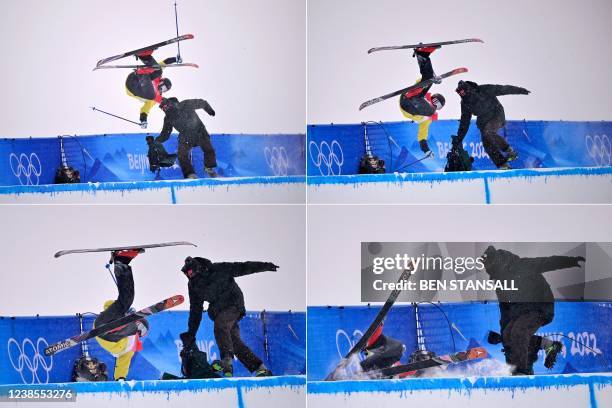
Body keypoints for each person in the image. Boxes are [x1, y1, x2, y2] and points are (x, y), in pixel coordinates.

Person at [481, 246, 585, 375]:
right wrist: (504, 333)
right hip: (521, 310)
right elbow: (505, 309)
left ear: (498, 262)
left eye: (491, 268)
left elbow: (546, 262)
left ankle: (521, 371)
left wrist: (570, 261)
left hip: (540, 306)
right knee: (508, 334)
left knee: (519, 330)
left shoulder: (519, 265)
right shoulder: (499, 281)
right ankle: (546, 347)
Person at [179, 256, 279, 377]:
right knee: (235, 343)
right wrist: (191, 333)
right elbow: (195, 310)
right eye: (186, 274)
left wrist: (265, 265)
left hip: (234, 304)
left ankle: (226, 360)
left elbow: (242, 267)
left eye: (190, 272)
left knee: (220, 324)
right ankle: (260, 368)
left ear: (197, 268)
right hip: (218, 310)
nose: (189, 276)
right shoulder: (193, 285)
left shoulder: (217, 269)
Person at [94, 250, 149, 381]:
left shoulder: (131, 347)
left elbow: (123, 363)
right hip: (104, 324)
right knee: (126, 299)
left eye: (142, 332)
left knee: (126, 301)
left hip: (111, 337)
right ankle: (122, 262)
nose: (140, 332)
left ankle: (121, 262)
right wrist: (124, 312)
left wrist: (120, 378)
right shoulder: (129, 324)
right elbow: (108, 305)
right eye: (142, 328)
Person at [455, 80, 530, 169]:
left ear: (468, 89)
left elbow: (502, 89)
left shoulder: (483, 89)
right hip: (483, 121)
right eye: (459, 92)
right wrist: (459, 139)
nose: (462, 94)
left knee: (488, 132)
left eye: (463, 91)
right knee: (486, 144)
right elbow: (464, 122)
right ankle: (503, 165)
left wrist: (520, 90)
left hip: (496, 115)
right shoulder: (465, 103)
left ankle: (509, 151)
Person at [399, 46, 446, 156]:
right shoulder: (425, 101)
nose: (435, 105)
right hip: (409, 97)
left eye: (438, 105)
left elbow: (422, 136)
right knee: (427, 80)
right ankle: (423, 55)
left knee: (430, 111)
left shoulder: (427, 118)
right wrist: (431, 80)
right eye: (435, 101)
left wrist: (426, 150)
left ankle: (423, 57)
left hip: (407, 107)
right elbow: (421, 81)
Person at [157, 97, 218, 179]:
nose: (164, 109)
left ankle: (209, 168)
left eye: (165, 106)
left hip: (199, 131)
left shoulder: (186, 104)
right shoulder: (168, 118)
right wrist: (157, 141)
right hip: (186, 136)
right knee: (181, 155)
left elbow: (202, 102)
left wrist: (209, 110)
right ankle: (190, 174)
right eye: (163, 108)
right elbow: (166, 133)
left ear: (171, 104)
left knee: (208, 149)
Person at [125, 50, 176, 128]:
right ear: (161, 81)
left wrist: (143, 120)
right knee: (158, 70)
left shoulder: (155, 97)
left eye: (164, 89)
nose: (162, 88)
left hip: (132, 89)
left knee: (153, 97)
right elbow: (163, 63)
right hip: (134, 78)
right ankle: (144, 56)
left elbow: (145, 109)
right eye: (163, 86)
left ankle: (141, 71)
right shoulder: (158, 77)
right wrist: (175, 59)